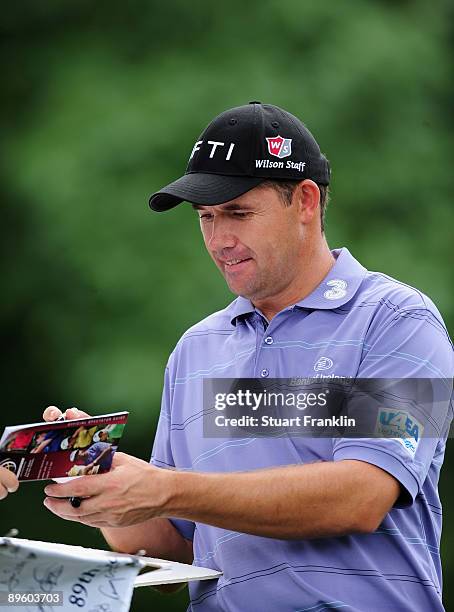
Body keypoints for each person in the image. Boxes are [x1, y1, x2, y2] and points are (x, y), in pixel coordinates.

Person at [42, 102, 453, 611]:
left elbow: (362, 496)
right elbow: (177, 553)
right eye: (206, 217)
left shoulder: (396, 318)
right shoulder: (196, 349)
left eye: (238, 213)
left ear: (305, 201)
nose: (219, 240)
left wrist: (164, 489)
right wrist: (103, 493)